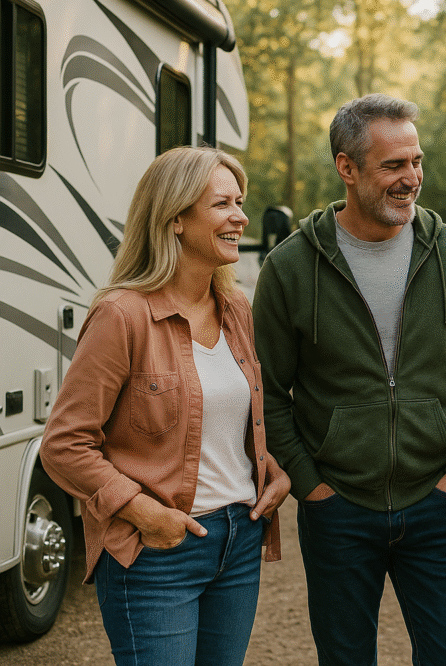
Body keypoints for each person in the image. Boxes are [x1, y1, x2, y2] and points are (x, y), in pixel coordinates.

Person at [252, 93, 446, 666]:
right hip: (337, 511)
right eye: (394, 165)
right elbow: (265, 388)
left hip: (438, 508)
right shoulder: (291, 266)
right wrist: (312, 485)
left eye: (417, 162)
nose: (411, 178)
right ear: (347, 167)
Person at [39, 146, 290, 666]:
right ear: (175, 218)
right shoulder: (122, 315)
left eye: (240, 202)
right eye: (223, 204)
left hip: (239, 543)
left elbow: (232, 420)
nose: (240, 217)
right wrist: (143, 513)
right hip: (158, 555)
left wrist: (272, 470)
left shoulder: (237, 306)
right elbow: (64, 444)